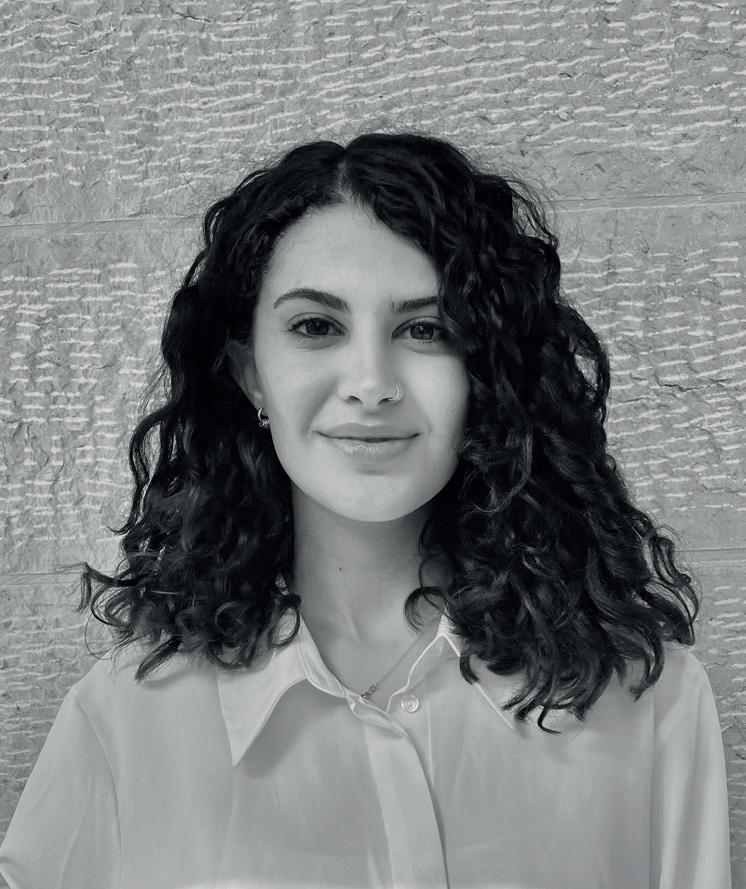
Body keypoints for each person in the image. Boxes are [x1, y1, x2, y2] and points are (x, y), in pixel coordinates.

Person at [0, 131, 732, 889]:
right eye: (317, 326)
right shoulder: (124, 722)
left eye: (426, 329)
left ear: (486, 372)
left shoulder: (649, 703)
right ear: (251, 374)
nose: (371, 382)